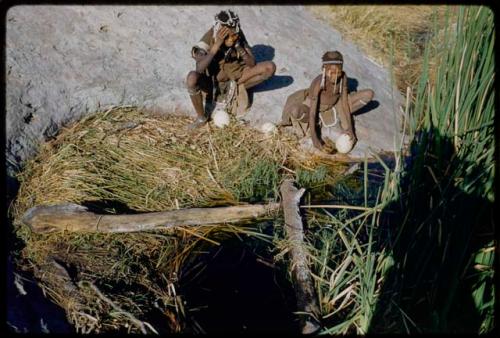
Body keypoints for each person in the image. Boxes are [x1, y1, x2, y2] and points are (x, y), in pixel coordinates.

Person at [186, 9, 276, 129]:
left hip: (236, 80)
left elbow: (252, 64)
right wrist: (216, 45)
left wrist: (238, 45)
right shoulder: (210, 36)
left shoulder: (237, 34)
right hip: (212, 84)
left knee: (269, 67)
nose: (230, 36)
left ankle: (238, 92)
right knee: (192, 78)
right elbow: (199, 68)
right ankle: (201, 117)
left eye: (233, 32)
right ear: (219, 30)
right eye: (226, 33)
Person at [278, 51, 374, 153]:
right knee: (295, 111)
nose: (335, 76)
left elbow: (344, 103)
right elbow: (312, 113)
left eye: (338, 72)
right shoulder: (318, 83)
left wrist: (350, 129)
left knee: (369, 94)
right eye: (331, 72)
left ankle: (337, 116)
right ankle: (318, 122)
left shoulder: (343, 78)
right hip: (314, 108)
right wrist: (315, 139)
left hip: (336, 105)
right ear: (323, 69)